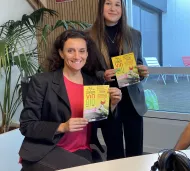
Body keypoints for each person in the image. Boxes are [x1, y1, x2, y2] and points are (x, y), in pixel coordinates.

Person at [19, 30, 122, 171]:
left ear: (87, 54)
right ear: (61, 53)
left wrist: (112, 105)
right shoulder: (42, 82)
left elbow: (103, 125)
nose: (77, 56)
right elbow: (27, 125)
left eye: (81, 51)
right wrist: (62, 127)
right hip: (46, 149)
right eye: (70, 51)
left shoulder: (93, 83)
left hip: (81, 149)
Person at [88, 0, 148, 160]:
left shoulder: (134, 34)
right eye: (108, 3)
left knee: (135, 152)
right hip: (106, 99)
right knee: (114, 150)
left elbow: (139, 61)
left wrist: (142, 70)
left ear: (122, 9)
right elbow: (85, 71)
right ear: (101, 7)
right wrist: (103, 75)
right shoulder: (89, 36)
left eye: (117, 4)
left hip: (132, 99)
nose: (113, 8)